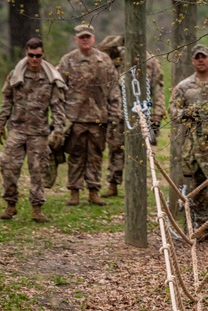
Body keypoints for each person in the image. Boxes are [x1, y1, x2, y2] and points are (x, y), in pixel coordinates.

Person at [0, 37, 67, 223]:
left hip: (39, 132)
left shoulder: (51, 78)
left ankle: (37, 208)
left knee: (38, 170)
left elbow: (57, 105)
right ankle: (10, 204)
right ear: (26, 54)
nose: (34, 59)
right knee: (7, 165)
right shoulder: (16, 75)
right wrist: (1, 122)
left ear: (43, 55)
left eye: (38, 55)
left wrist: (59, 129)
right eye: (31, 55)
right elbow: (7, 100)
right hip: (17, 129)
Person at [57, 23, 121, 206]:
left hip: (98, 117)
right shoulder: (67, 61)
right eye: (81, 37)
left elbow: (113, 89)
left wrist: (114, 114)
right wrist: (60, 115)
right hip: (75, 117)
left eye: (88, 37)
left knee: (95, 155)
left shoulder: (104, 60)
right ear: (75, 40)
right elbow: (59, 89)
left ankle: (94, 191)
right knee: (76, 155)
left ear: (93, 39)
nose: (85, 40)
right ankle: (74, 191)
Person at [97, 34, 166, 198]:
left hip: (141, 112)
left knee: (140, 151)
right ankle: (113, 183)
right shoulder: (119, 55)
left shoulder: (151, 61)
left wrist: (157, 115)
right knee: (115, 148)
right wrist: (121, 39)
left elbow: (158, 89)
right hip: (118, 111)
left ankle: (137, 184)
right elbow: (101, 50)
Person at [169, 44, 208, 233]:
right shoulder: (184, 86)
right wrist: (189, 113)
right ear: (193, 61)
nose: (201, 60)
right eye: (197, 57)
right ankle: (201, 227)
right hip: (194, 145)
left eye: (204, 56)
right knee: (197, 187)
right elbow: (172, 111)